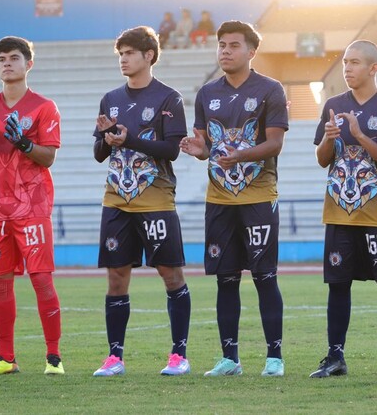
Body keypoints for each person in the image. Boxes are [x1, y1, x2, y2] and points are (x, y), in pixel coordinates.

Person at [180, 20, 288, 377]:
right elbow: (209, 146)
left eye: (233, 45)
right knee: (225, 278)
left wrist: (237, 156)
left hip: (258, 197)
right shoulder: (207, 93)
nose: (225, 51)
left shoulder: (271, 89)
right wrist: (200, 151)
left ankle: (274, 357)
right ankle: (230, 359)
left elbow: (275, 144)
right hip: (220, 200)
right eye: (221, 45)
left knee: (264, 276)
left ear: (251, 51)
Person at [92, 26, 191, 377]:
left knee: (170, 274)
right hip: (116, 199)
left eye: (130, 53)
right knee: (116, 277)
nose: (123, 59)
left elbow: (171, 151)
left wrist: (129, 138)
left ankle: (179, 355)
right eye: (120, 54)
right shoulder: (110, 98)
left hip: (156, 200)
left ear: (148, 56)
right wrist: (107, 137)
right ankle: (114, 357)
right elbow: (99, 154)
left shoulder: (169, 98)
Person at [309, 40, 377, 379]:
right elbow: (323, 159)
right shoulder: (334, 105)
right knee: (338, 286)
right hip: (338, 213)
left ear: (373, 68)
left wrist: (359, 135)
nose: (347, 68)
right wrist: (328, 137)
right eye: (344, 62)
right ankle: (335, 357)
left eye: (354, 62)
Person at [0, 36, 64, 376]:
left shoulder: (43, 106)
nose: (6, 63)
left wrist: (23, 142)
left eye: (13, 58)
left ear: (28, 64)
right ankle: (6, 358)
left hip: (32, 209)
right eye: (1, 59)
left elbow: (48, 157)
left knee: (41, 280)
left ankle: (54, 358)